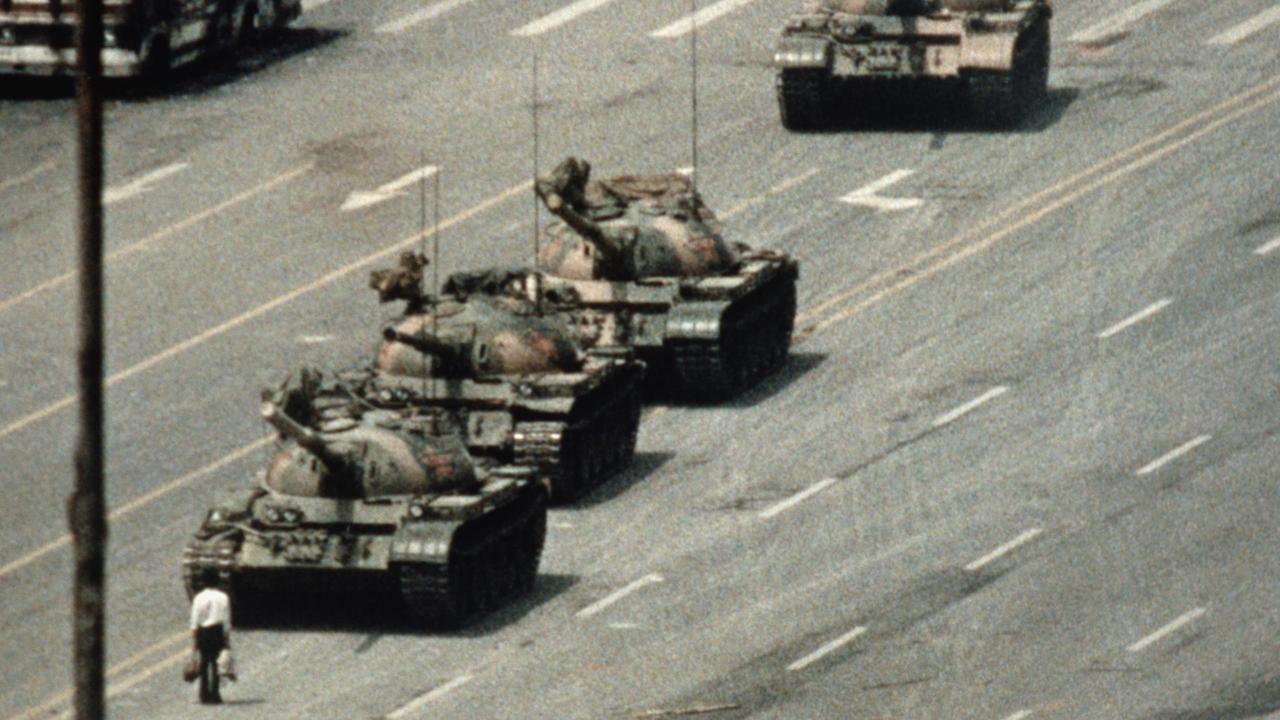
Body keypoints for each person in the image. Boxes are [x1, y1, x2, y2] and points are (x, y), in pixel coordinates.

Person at [189, 568, 232, 704]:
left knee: (203, 662)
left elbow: (194, 620)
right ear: (218, 581)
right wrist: (226, 638)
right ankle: (215, 694)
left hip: (203, 631)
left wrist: (194, 642)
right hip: (217, 631)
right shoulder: (223, 597)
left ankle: (203, 693)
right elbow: (226, 619)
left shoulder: (199, 597)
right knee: (215, 663)